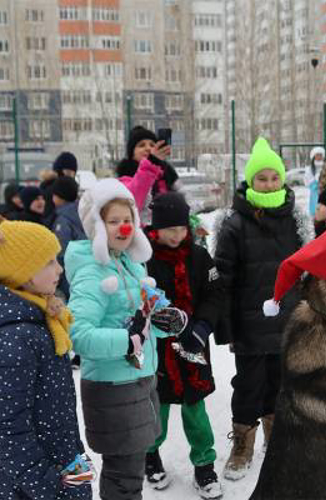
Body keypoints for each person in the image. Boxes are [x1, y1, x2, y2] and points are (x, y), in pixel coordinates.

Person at [65, 179, 185, 500]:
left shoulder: (130, 264)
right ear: (97, 226)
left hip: (138, 383)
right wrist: (127, 339)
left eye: (128, 219)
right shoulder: (93, 271)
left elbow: (147, 316)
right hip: (113, 389)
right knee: (124, 477)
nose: (124, 227)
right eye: (113, 221)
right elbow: (79, 335)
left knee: (130, 473)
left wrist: (168, 321)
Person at [0, 221, 93, 500]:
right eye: (49, 262)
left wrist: (74, 460)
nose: (59, 269)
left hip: (61, 458)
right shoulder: (12, 341)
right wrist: (48, 484)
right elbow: (6, 430)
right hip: (32, 484)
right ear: (23, 272)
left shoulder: (40, 317)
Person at [214, 137, 311, 480]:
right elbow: (223, 277)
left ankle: (276, 435)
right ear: (250, 181)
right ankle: (242, 444)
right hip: (250, 325)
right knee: (248, 386)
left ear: (282, 180)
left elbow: (308, 271)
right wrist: (225, 327)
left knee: (281, 384)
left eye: (274, 177)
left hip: (288, 321)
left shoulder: (297, 219)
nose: (269, 183)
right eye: (262, 178)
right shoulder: (234, 223)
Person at [143, 193, 223, 499]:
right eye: (169, 229)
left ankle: (204, 464)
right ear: (156, 229)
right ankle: (150, 454)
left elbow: (215, 294)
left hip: (194, 346)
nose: (177, 235)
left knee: (196, 411)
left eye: (181, 228)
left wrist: (202, 327)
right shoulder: (144, 258)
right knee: (156, 411)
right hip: (158, 352)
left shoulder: (200, 257)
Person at [116, 126, 179, 225]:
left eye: (152, 145)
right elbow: (133, 203)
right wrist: (151, 163)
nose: (148, 148)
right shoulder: (126, 177)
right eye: (141, 145)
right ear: (131, 153)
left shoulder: (168, 174)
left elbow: (183, 201)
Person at [50, 176, 85, 300]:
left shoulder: (63, 219)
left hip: (69, 272)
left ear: (58, 196)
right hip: (84, 268)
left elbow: (60, 249)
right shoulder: (81, 211)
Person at [306, 146, 325, 216]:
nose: (319, 157)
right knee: (314, 209)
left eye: (320, 155)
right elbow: (307, 180)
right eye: (317, 155)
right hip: (314, 192)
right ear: (314, 156)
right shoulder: (310, 168)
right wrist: (314, 183)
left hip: (324, 190)